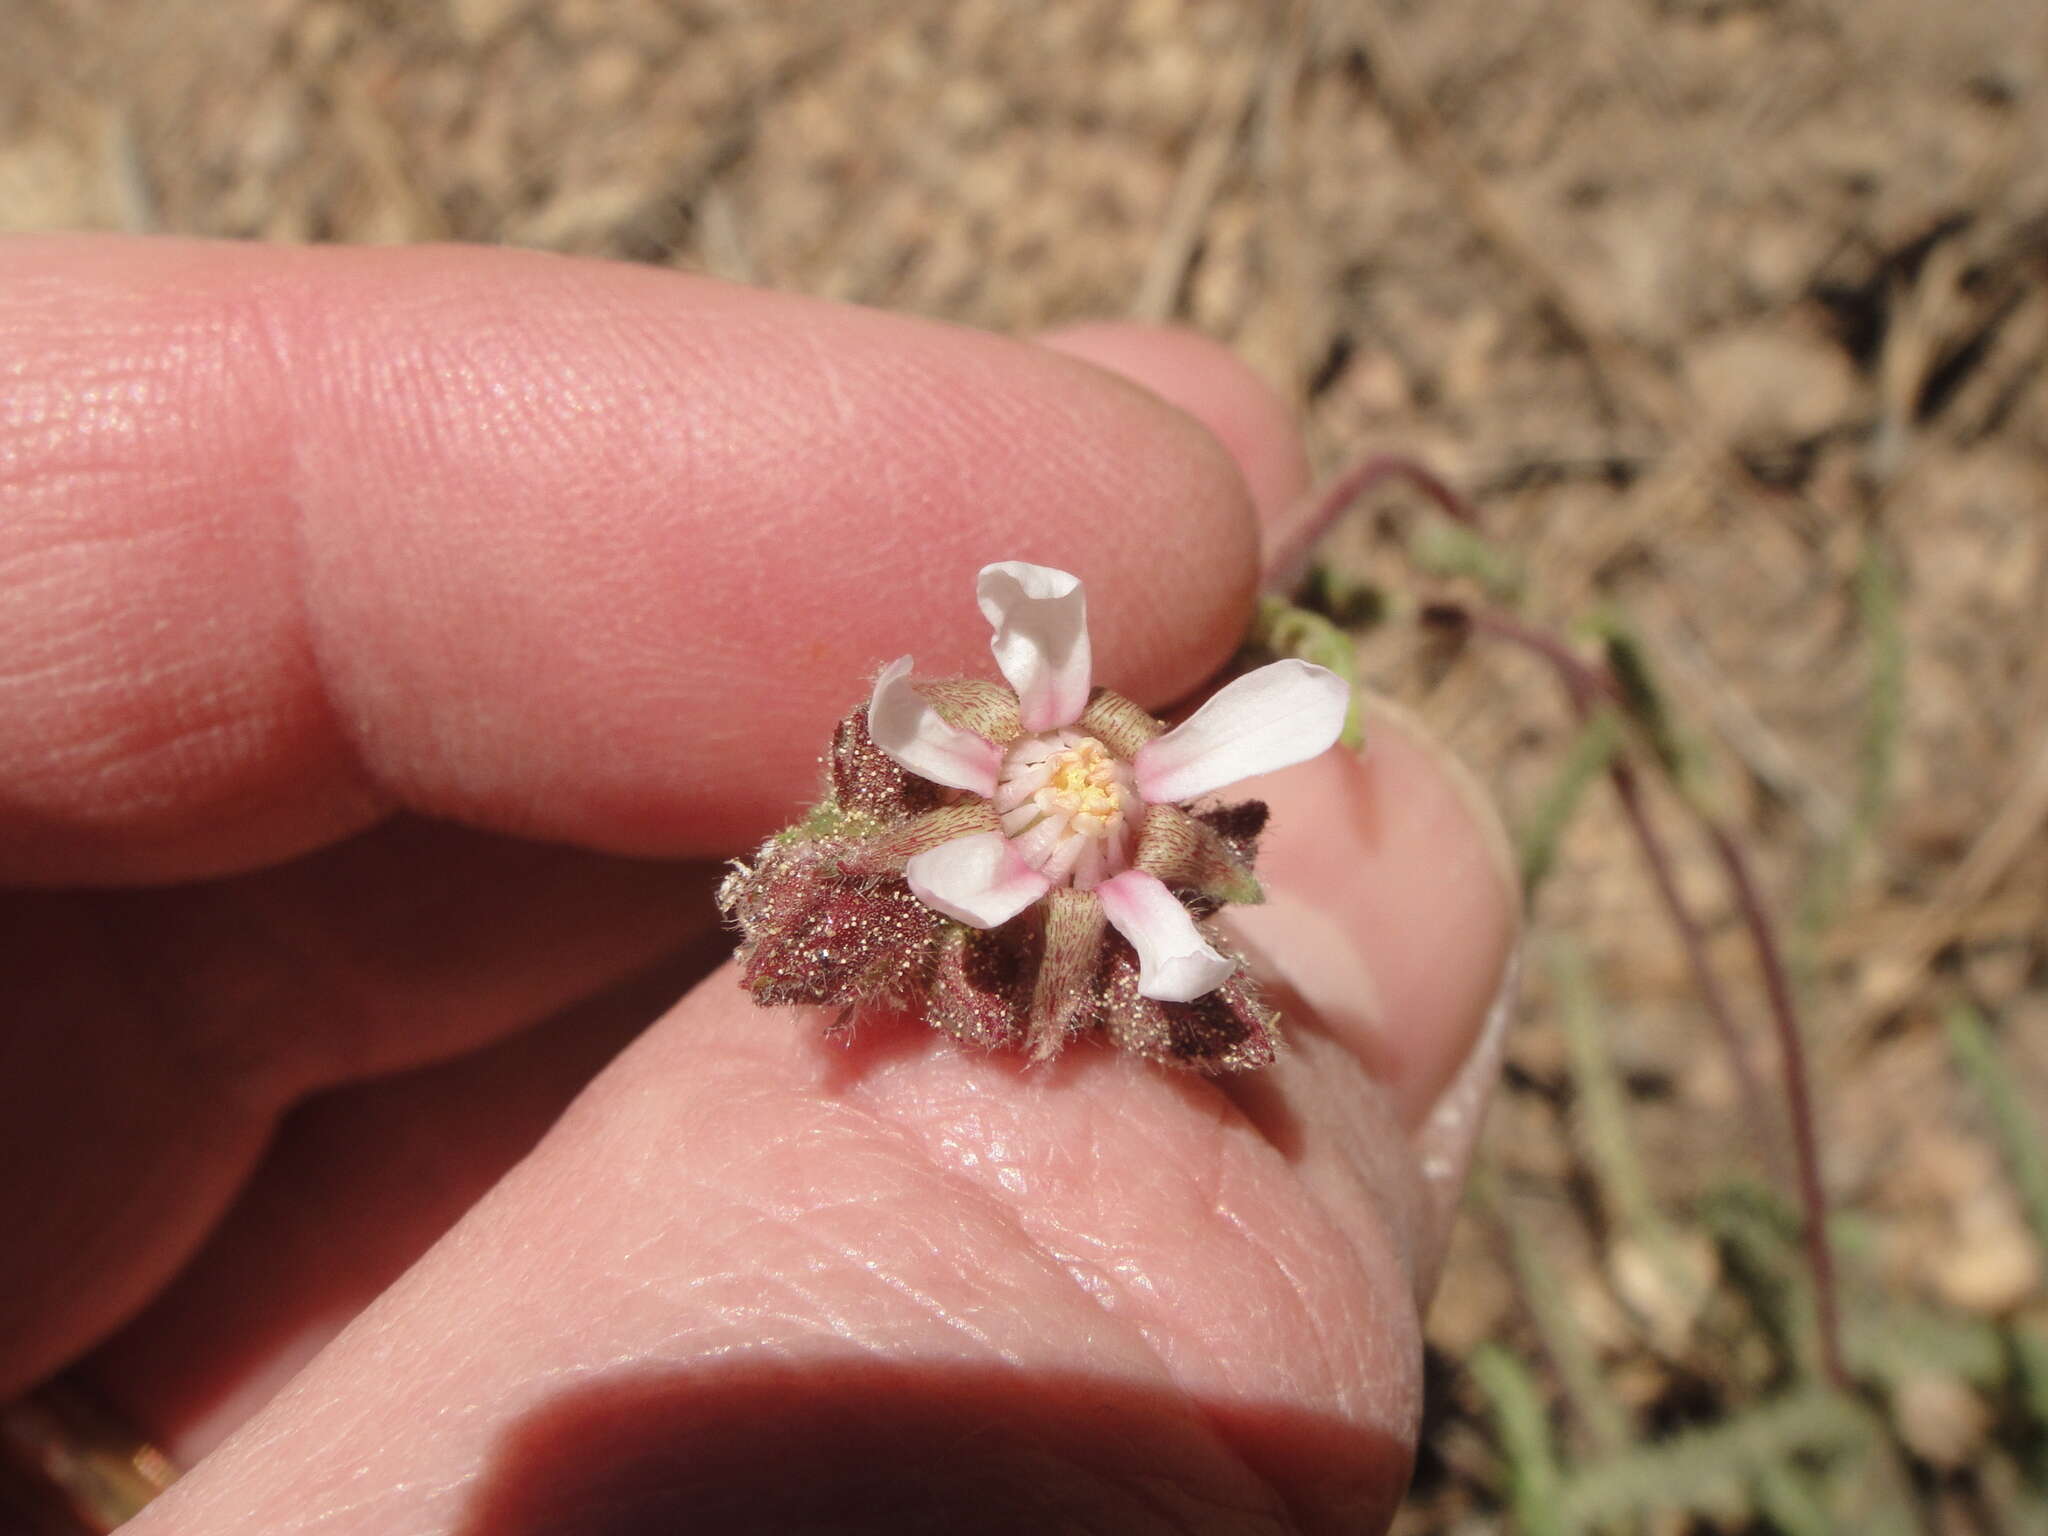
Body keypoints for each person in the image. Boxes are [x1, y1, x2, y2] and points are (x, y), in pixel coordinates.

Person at [0, 235, 1519, 1534]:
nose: (1080, 792)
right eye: (1066, 775)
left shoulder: (1096, 833)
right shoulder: (975, 795)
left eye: (1094, 780)